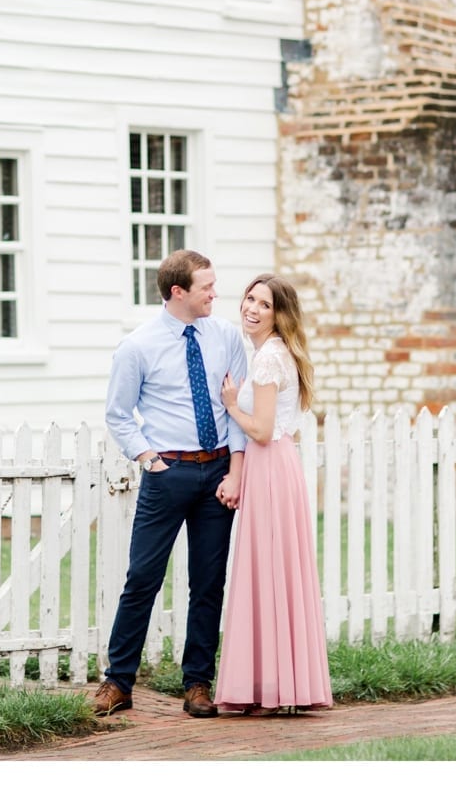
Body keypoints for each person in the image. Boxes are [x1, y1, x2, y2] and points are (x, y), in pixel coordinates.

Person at [92, 249, 249, 719]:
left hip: (218, 471)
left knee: (208, 582)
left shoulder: (226, 337)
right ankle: (118, 682)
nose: (215, 294)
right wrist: (149, 458)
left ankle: (198, 683)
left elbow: (237, 411)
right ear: (177, 291)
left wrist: (236, 471)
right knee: (142, 578)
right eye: (206, 287)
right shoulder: (137, 346)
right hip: (168, 474)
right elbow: (118, 414)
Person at [214, 272, 333, 714]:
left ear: (279, 314)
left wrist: (230, 405)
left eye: (264, 304)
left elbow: (261, 430)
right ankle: (278, 685)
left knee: (267, 570)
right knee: (276, 571)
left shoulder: (267, 360)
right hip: (280, 466)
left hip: (269, 466)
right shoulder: (276, 353)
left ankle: (269, 688)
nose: (252, 309)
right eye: (249, 299)